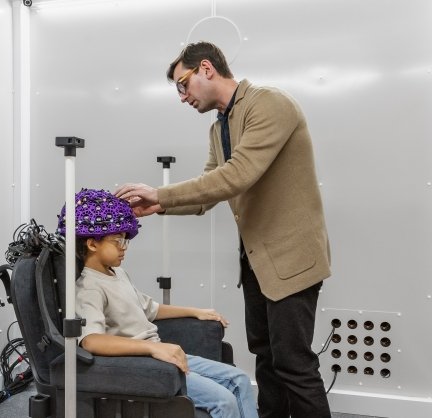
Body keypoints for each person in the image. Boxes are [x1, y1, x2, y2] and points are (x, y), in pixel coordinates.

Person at [115, 41, 332, 418]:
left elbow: (236, 177)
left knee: (294, 365)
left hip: (292, 261)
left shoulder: (269, 105)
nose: (182, 97)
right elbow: (207, 192)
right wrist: (157, 205)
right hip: (257, 262)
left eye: (183, 84)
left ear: (206, 68)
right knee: (266, 359)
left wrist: (161, 192)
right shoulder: (220, 127)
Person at [58, 188, 259, 418]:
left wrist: (195, 312)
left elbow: (149, 308)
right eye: (117, 242)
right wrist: (153, 348)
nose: (124, 248)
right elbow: (91, 341)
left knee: (240, 380)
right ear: (92, 244)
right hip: (146, 365)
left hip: (160, 355)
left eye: (125, 241)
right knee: (224, 401)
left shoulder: (117, 274)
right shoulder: (89, 287)